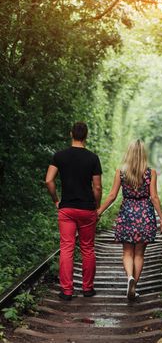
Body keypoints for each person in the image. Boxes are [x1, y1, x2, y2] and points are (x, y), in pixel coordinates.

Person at [97, 139, 162, 300]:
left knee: (127, 252)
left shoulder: (121, 172)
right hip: (145, 214)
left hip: (127, 213)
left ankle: (129, 277)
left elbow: (112, 195)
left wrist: (99, 210)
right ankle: (134, 285)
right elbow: (154, 197)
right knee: (140, 254)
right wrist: (161, 218)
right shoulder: (150, 172)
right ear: (143, 154)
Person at [45, 122, 102, 300]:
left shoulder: (59, 156)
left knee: (67, 248)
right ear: (86, 136)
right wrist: (97, 206)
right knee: (87, 248)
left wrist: (56, 200)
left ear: (71, 134)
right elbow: (98, 187)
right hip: (86, 209)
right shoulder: (93, 158)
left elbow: (49, 180)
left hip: (67, 209)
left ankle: (67, 291)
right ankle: (87, 289)